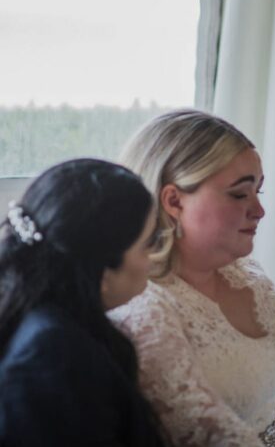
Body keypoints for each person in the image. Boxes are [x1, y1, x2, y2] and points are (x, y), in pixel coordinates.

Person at [110, 109, 275, 447]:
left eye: (259, 191)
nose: (259, 210)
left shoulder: (252, 279)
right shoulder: (144, 307)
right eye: (240, 194)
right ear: (173, 200)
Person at [0, 158, 166, 447]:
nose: (154, 258)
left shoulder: (50, 323)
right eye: (148, 243)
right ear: (100, 269)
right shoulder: (53, 356)